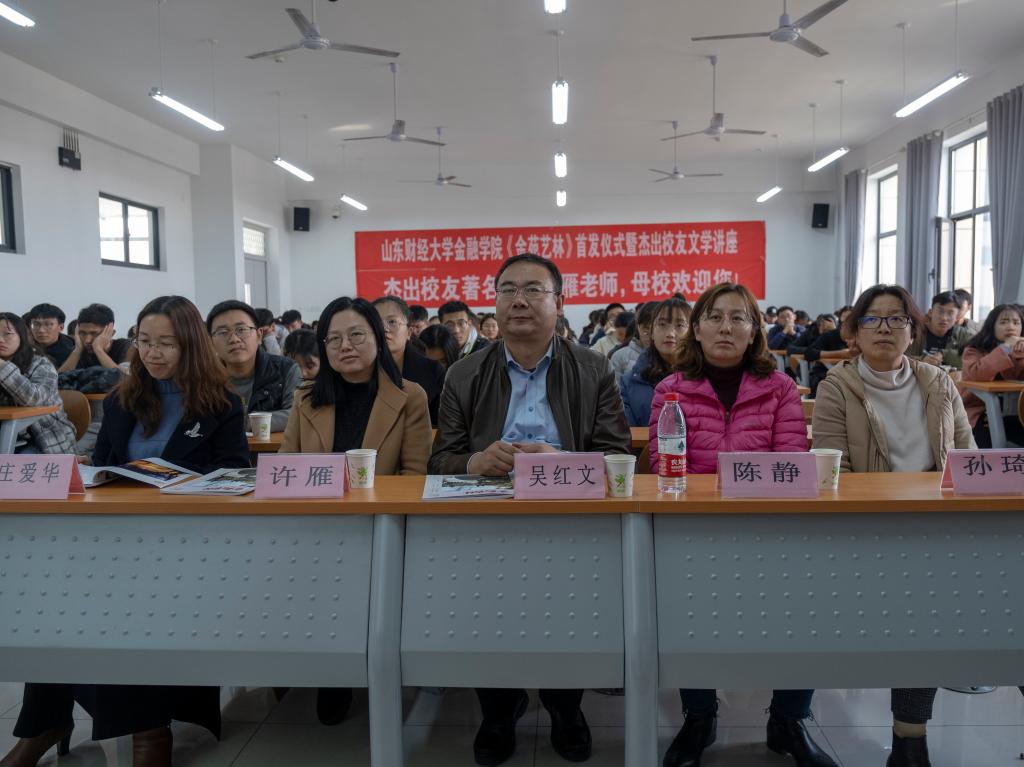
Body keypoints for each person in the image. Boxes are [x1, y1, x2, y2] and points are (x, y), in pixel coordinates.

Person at [5, 295, 248, 767]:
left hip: (184, 544)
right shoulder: (123, 399)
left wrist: (182, 483)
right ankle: (45, 721)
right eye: (145, 342)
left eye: (167, 344)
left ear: (192, 345)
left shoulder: (221, 405)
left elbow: (235, 475)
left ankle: (147, 732)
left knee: (122, 604)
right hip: (116, 539)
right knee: (57, 597)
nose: (153, 353)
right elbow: (104, 465)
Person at [431, 253, 631, 766]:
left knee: (571, 616)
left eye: (533, 290)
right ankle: (498, 709)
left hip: (570, 517)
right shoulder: (463, 373)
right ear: (494, 302)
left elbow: (617, 455)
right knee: (486, 616)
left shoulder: (593, 367)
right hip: (487, 520)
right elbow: (441, 460)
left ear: (559, 302)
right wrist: (475, 461)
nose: (518, 300)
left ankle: (565, 706)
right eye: (508, 290)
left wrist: (560, 463)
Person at [648, 284, 831, 767]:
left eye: (738, 318)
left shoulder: (780, 387)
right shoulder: (671, 390)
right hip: (694, 530)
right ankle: (698, 716)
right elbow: (664, 465)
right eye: (714, 317)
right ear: (697, 329)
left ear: (754, 331)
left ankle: (789, 720)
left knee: (805, 607)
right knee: (687, 610)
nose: (726, 328)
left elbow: (791, 463)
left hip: (768, 529)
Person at [812, 284, 974, 767]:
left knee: (935, 609)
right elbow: (832, 471)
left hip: (937, 527)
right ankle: (909, 737)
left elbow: (967, 459)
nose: (884, 328)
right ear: (855, 332)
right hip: (867, 529)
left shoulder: (939, 382)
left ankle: (909, 738)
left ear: (912, 330)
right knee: (921, 607)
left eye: (896, 319)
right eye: (872, 319)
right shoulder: (836, 386)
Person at [281, 296, 430, 726]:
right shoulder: (306, 398)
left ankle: (382, 670)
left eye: (356, 335)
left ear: (379, 339)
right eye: (334, 339)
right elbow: (287, 470)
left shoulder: (409, 396)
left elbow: (414, 476)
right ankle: (333, 674)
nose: (345, 346)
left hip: (382, 528)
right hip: (318, 531)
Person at [206, 300, 302, 434]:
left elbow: (296, 414)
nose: (234, 339)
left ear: (259, 335)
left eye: (241, 330)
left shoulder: (286, 370)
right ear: (211, 343)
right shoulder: (204, 377)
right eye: (223, 332)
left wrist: (241, 422)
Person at [0, 312, 77, 453]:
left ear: (21, 336)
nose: (0, 339)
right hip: (6, 435)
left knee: (17, 465)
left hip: (43, 438)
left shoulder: (41, 364)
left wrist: (2, 366)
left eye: (7, 334)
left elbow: (35, 399)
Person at [373, 296, 448, 426]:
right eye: (376, 323)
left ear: (409, 332)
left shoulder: (433, 370)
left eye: (392, 322)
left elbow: (442, 423)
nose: (384, 328)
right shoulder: (358, 370)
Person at [960, 304, 1024, 448]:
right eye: (1004, 322)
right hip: (981, 410)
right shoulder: (974, 349)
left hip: (1017, 411)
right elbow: (977, 374)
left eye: (1016, 323)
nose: (1010, 327)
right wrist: (1005, 348)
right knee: (987, 442)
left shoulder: (1020, 349)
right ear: (992, 326)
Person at [620, 297, 689, 427]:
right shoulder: (629, 383)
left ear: (693, 332)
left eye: (680, 325)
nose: (670, 333)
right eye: (662, 325)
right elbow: (626, 432)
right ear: (651, 332)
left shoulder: (707, 378)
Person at [58, 303, 132, 372]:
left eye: (94, 334)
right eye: (83, 333)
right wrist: (77, 351)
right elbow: (58, 379)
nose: (87, 340)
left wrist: (98, 350)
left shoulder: (125, 347)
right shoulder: (77, 351)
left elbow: (125, 378)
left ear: (111, 333)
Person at [908, 291, 972, 369]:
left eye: (950, 313)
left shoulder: (963, 335)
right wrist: (921, 361)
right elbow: (899, 357)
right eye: (940, 311)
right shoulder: (914, 332)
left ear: (957, 317)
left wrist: (944, 354)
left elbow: (976, 357)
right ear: (930, 312)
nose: (944, 318)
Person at [805, 306, 855, 397]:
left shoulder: (863, 336)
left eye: (852, 320)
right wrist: (840, 354)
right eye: (844, 322)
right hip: (824, 373)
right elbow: (809, 353)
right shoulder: (830, 335)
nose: (847, 324)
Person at [25, 303, 75, 369]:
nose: (41, 330)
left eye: (48, 324)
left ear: (61, 327)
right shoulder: (23, 346)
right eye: (36, 324)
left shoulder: (71, 351)